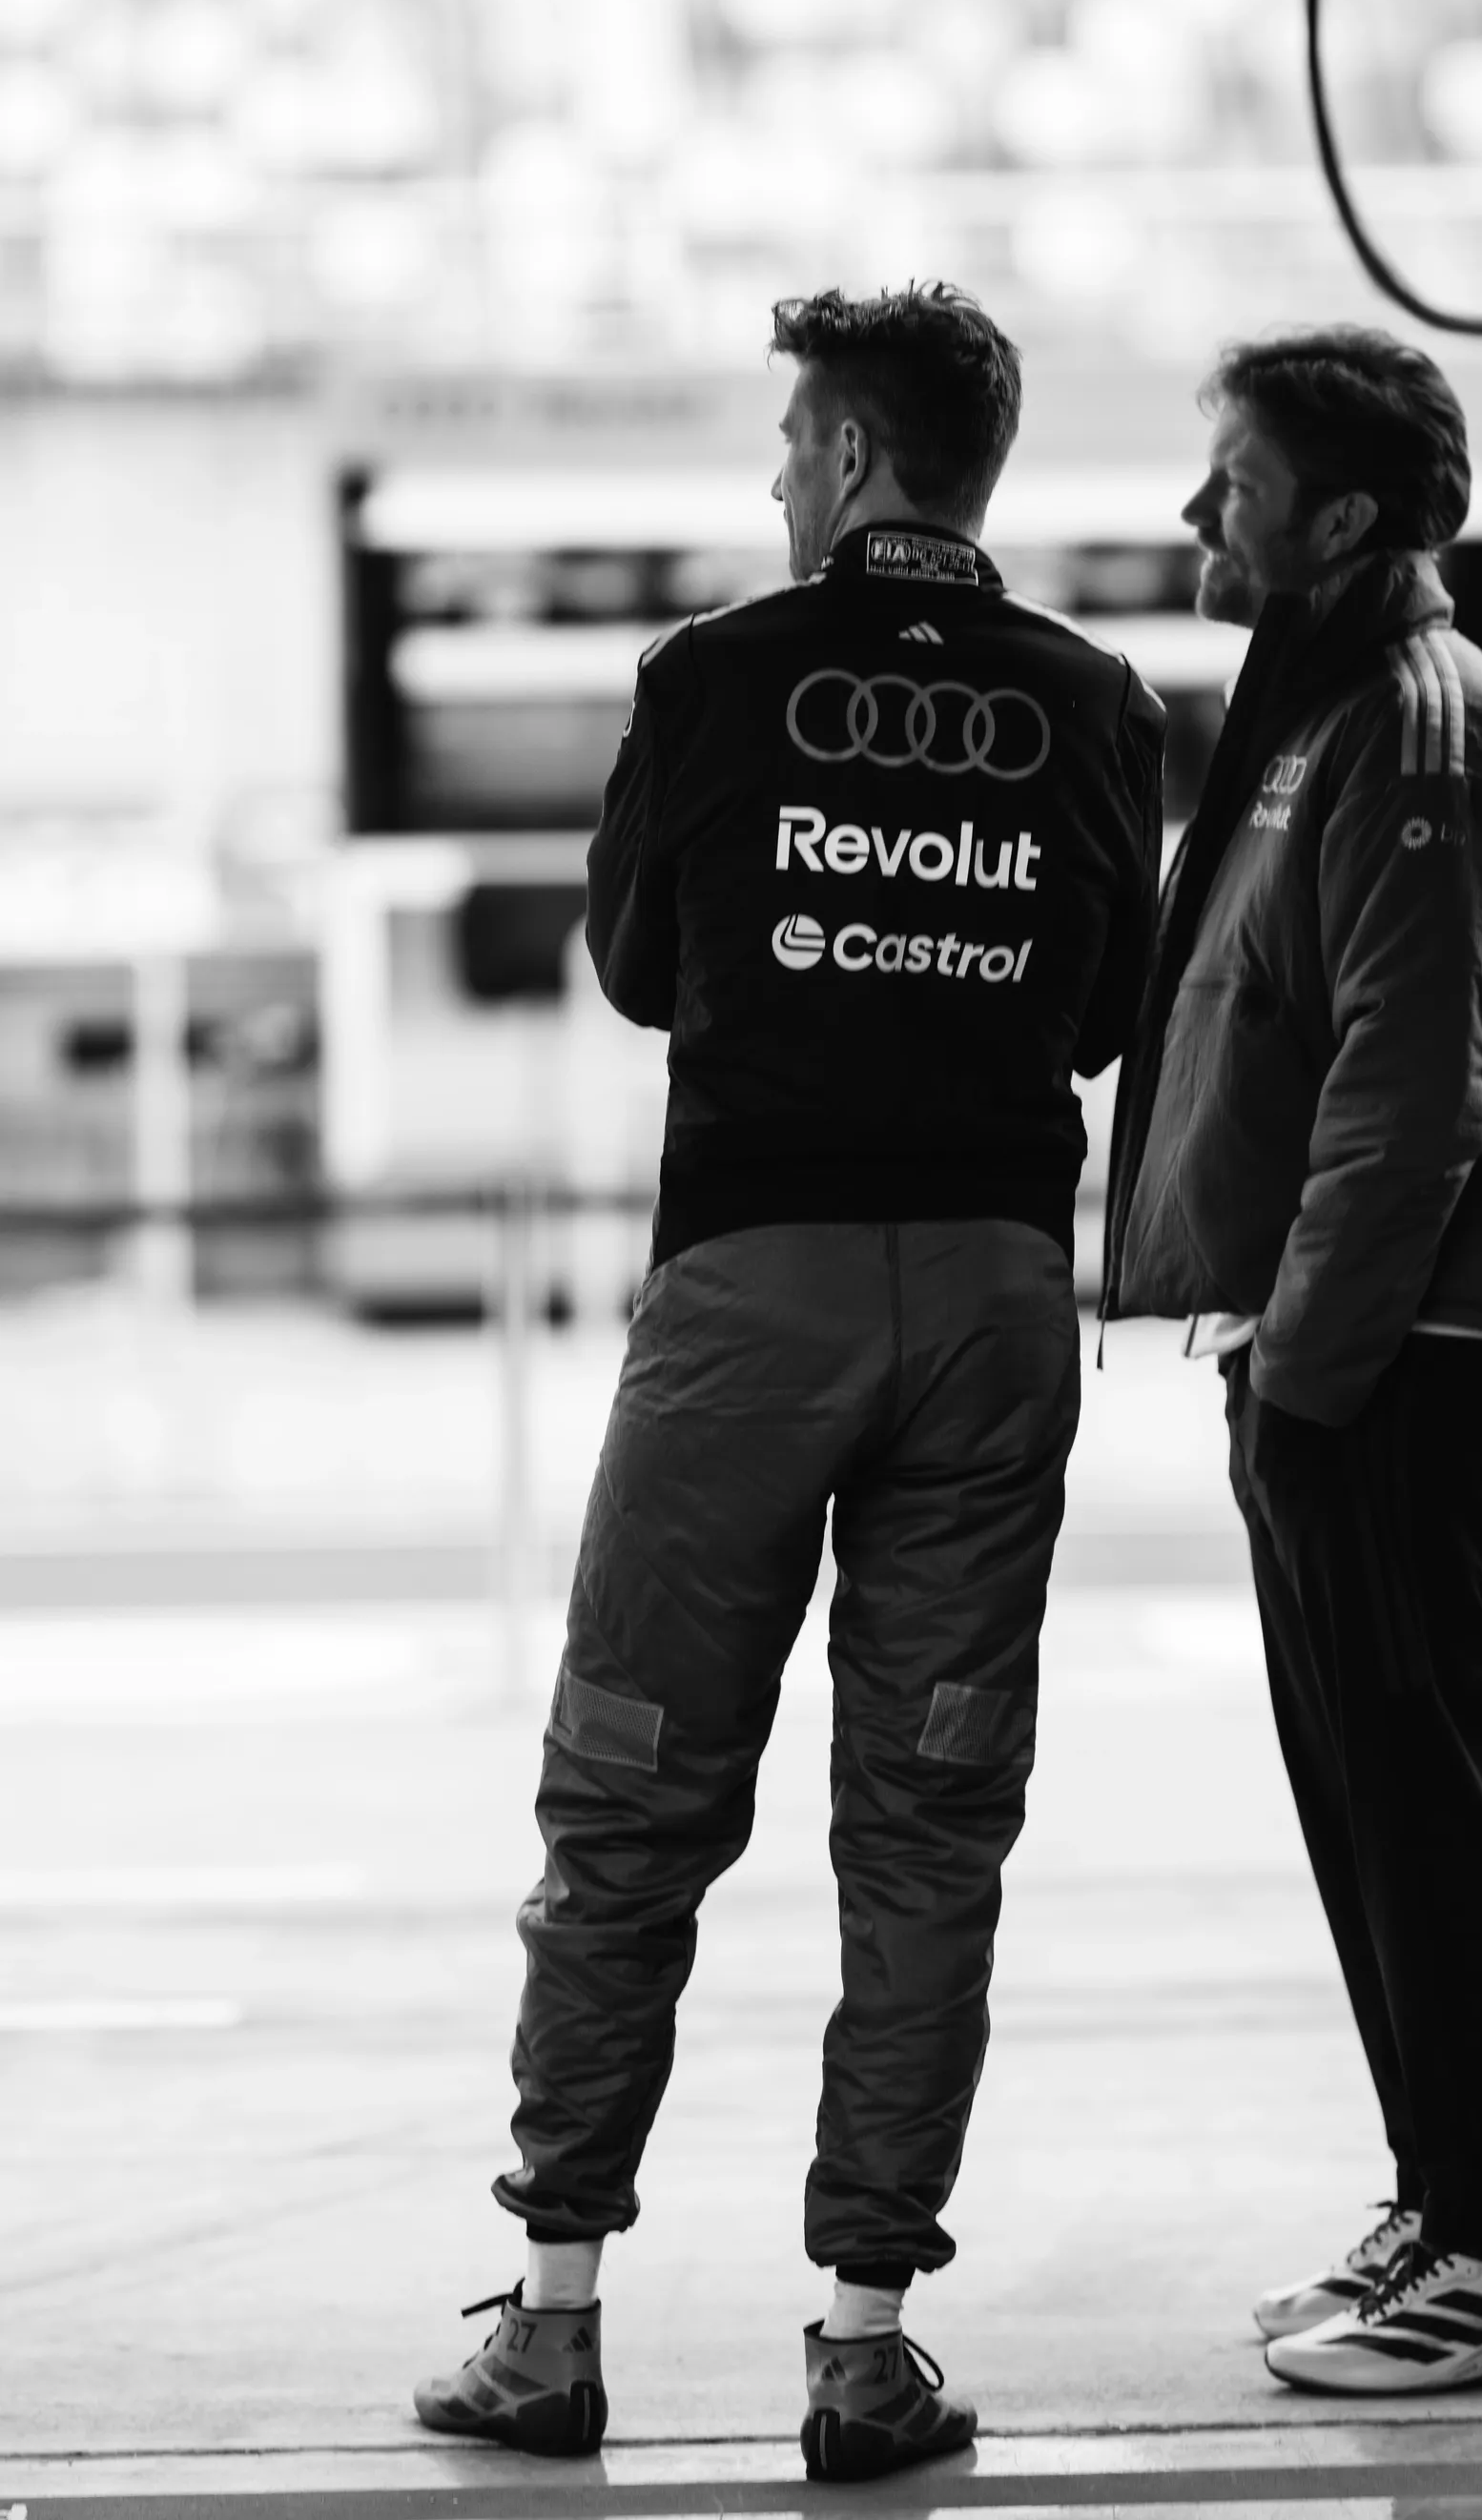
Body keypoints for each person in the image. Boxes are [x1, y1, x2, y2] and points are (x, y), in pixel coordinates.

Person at [416, 282, 1165, 2467]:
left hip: (754, 1297)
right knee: (932, 1824)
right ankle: (860, 2346)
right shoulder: (1099, 699)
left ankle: (551, 2327)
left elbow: (643, 969)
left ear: (847, 459)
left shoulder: (719, 674)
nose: (772, 478)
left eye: (786, 446)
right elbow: (1115, 1008)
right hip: (1004, 1306)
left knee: (633, 1796)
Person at [1101, 325, 1482, 2397]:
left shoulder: (1422, 734)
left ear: (1334, 518)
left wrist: (1308, 1370)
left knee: (1411, 1783)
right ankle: (1447, 2191)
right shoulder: (1324, 711)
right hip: (1330, 1339)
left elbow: (1416, 1098)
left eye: (1224, 480)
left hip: (1390, 1347)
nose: (1190, 513)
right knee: (1361, 1788)